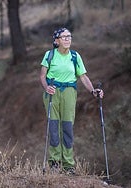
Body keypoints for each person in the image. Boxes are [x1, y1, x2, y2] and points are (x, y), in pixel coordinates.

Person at [39, 27, 104, 174]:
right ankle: (55, 163)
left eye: (69, 36)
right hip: (52, 93)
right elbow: (42, 76)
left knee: (67, 128)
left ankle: (68, 165)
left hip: (69, 92)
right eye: (64, 37)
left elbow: (83, 77)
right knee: (54, 128)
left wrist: (93, 91)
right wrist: (47, 87)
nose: (68, 39)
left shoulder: (75, 56)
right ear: (57, 40)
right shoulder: (49, 55)